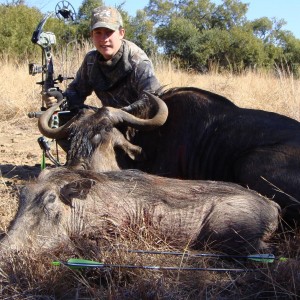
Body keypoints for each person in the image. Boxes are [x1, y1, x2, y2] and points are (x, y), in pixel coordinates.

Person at [45, 5, 162, 112]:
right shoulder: (91, 60)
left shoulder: (137, 60)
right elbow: (76, 92)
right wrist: (59, 100)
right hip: (108, 120)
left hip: (136, 121)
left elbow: (153, 99)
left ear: (121, 33)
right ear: (91, 35)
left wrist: (117, 115)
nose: (103, 38)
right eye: (98, 32)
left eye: (109, 32)